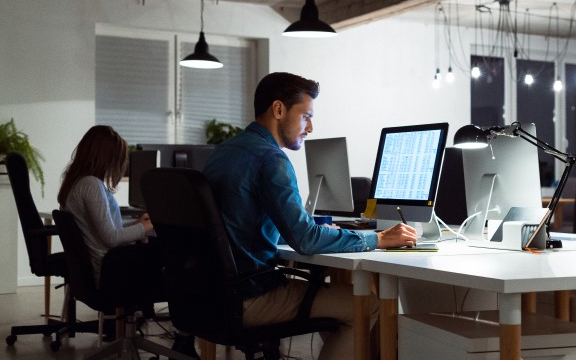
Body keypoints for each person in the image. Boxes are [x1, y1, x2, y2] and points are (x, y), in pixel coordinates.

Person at [203, 72, 418, 359]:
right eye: (306, 116)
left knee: (337, 307)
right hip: (249, 297)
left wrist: (316, 228)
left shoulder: (224, 151)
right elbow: (304, 240)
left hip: (210, 295)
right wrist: (375, 239)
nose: (311, 127)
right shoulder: (271, 160)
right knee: (367, 306)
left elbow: (246, 220)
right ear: (279, 110)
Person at [58, 125, 198, 359]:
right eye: (118, 159)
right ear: (105, 156)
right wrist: (146, 226)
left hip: (106, 271)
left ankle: (183, 334)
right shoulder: (91, 185)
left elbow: (104, 234)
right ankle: (185, 336)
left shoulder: (77, 183)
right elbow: (111, 239)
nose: (121, 165)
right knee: (185, 260)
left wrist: (137, 226)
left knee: (172, 256)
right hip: (113, 273)